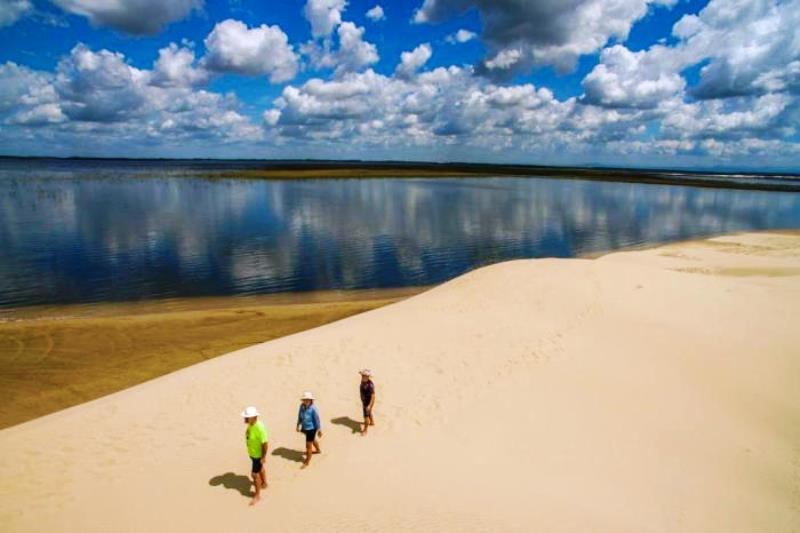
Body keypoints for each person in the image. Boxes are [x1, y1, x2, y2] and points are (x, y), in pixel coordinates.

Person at [241, 406, 268, 506]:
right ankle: (264, 483)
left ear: (253, 417)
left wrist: (263, 457)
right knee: (260, 469)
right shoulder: (251, 424)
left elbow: (265, 443)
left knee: (254, 475)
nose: (245, 419)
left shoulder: (259, 428)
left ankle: (257, 495)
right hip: (252, 454)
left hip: (257, 455)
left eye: (247, 417)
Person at [296, 391, 322, 468]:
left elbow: (317, 420)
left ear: (311, 400)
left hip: (311, 429)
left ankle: (307, 461)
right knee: (313, 439)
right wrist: (298, 425)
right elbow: (300, 416)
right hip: (304, 427)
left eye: (308, 400)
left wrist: (319, 430)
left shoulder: (313, 409)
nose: (306, 401)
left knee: (308, 446)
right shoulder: (302, 406)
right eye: (305, 399)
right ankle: (318, 450)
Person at [359, 369, 376, 435]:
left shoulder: (370, 385)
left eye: (365, 376)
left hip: (368, 402)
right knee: (369, 412)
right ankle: (372, 422)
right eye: (362, 375)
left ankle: (365, 430)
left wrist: (369, 405)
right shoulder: (363, 381)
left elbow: (373, 396)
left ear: (368, 377)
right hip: (364, 401)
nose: (363, 377)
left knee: (366, 416)